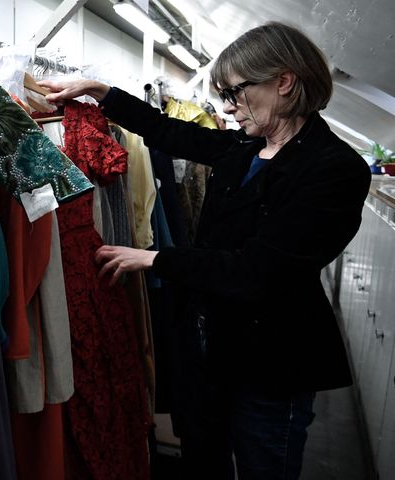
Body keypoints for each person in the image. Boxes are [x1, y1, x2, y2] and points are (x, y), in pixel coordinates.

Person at [40, 21, 371, 480]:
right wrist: (104, 94)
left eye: (235, 93)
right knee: (203, 463)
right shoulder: (248, 145)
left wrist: (156, 258)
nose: (229, 107)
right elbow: (173, 133)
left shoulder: (335, 169)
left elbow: (259, 270)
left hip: (272, 366)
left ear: (284, 81)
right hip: (207, 351)